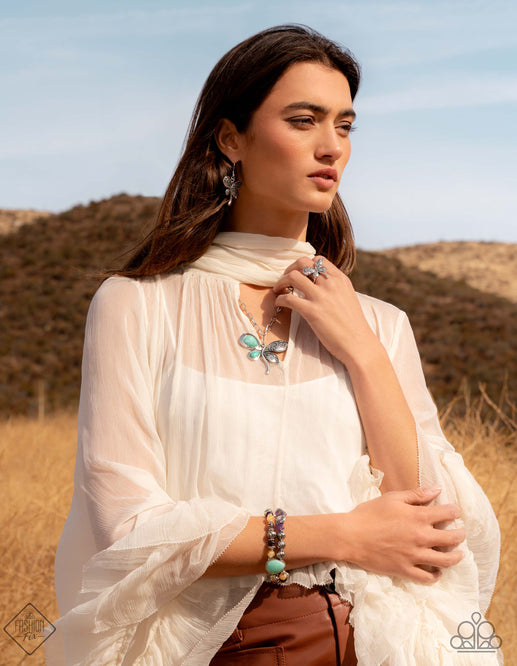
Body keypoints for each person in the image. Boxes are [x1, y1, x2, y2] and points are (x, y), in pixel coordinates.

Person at [45, 25, 502, 665]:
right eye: (303, 120)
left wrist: (363, 352)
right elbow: (128, 526)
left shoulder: (380, 324)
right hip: (213, 645)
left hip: (375, 643)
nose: (331, 146)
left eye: (344, 125)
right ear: (230, 138)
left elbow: (431, 526)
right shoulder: (138, 305)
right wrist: (343, 535)